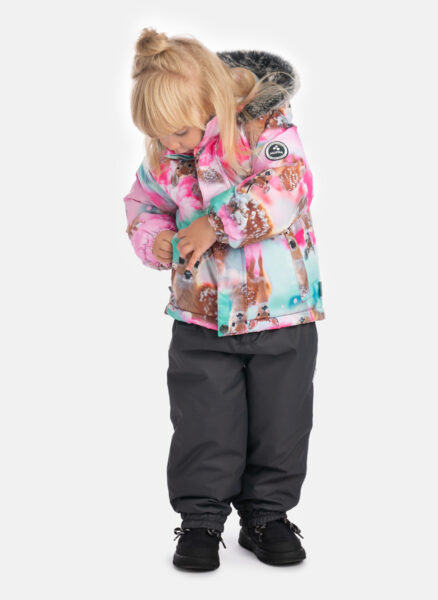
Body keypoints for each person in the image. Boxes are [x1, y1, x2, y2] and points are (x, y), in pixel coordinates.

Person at [123, 27, 326, 571]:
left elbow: (285, 189)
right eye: (159, 135)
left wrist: (214, 225)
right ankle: (201, 519)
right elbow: (144, 205)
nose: (173, 145)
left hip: (281, 313)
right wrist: (156, 238)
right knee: (203, 423)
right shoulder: (168, 155)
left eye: (181, 131)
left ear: (212, 101)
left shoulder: (265, 130)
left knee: (280, 423)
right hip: (201, 317)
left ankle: (267, 516)